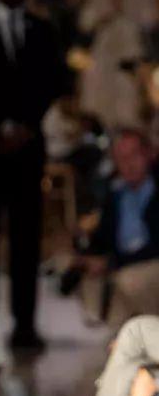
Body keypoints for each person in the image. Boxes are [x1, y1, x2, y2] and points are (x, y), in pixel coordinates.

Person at [0, 0, 66, 353]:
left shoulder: (42, 29)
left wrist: (26, 125)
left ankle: (25, 326)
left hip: (28, 152)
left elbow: (54, 81)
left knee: (26, 239)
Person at [83, 129, 159, 334]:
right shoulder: (116, 195)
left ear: (148, 155)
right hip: (123, 267)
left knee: (129, 281)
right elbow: (102, 239)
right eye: (122, 158)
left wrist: (112, 262)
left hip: (147, 266)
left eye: (134, 155)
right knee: (116, 335)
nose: (129, 164)